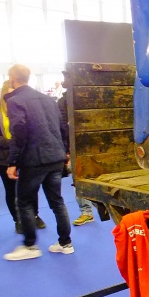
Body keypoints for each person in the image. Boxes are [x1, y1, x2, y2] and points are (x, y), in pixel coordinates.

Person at [2, 64, 74, 261]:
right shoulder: (48, 100)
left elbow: (19, 133)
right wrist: (65, 151)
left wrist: (12, 161)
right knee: (57, 201)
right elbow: (62, 128)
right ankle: (65, 243)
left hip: (34, 160)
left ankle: (30, 245)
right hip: (55, 157)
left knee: (24, 202)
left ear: (12, 79)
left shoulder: (16, 101)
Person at [0, 81, 47, 233]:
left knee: (31, 189)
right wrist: (14, 143)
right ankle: (17, 219)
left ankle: (35, 215)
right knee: (11, 191)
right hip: (4, 159)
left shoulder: (25, 111)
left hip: (26, 157)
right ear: (6, 93)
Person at [56, 89, 94, 226]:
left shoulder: (85, 96)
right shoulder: (63, 102)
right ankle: (87, 212)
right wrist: (66, 149)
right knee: (78, 180)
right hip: (76, 147)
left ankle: (88, 211)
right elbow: (64, 128)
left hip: (89, 145)